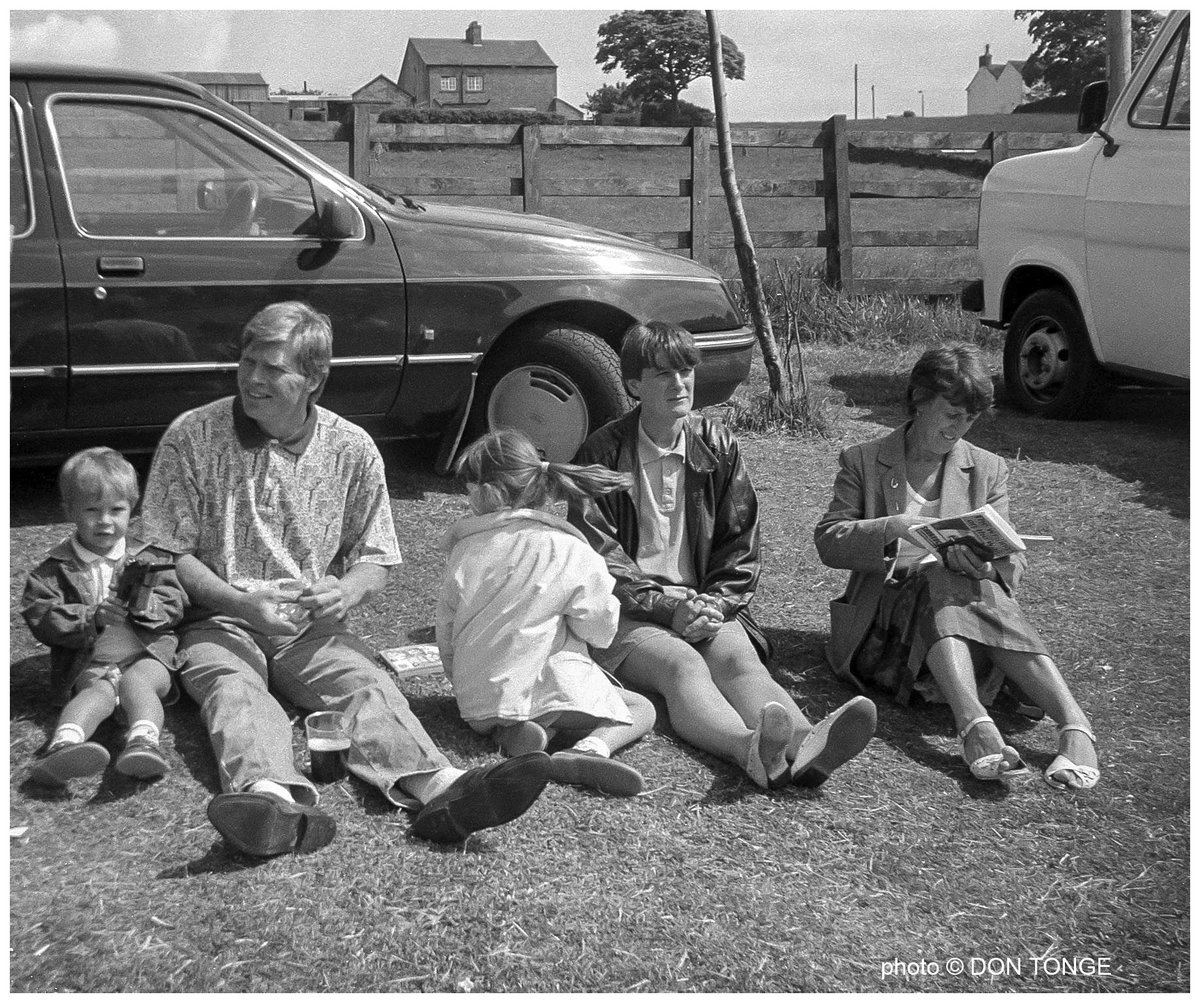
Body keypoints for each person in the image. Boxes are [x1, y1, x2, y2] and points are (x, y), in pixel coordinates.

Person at [139, 301, 551, 856]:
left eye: (273, 368)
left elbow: (376, 557)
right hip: (217, 617)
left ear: (314, 378)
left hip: (310, 624)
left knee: (365, 685)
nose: (252, 378)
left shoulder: (352, 448)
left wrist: (346, 589)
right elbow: (169, 552)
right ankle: (270, 800)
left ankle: (441, 791)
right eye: (246, 361)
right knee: (233, 689)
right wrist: (238, 604)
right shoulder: (193, 435)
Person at [569, 321, 876, 790]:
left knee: (740, 663)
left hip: (704, 601)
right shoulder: (600, 453)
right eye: (663, 374)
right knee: (682, 666)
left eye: (686, 370)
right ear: (633, 385)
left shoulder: (716, 443)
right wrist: (669, 608)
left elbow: (741, 542)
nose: (679, 384)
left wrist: (715, 603)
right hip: (629, 609)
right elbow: (599, 558)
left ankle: (808, 745)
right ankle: (746, 749)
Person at [814, 344, 1100, 791]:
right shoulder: (864, 459)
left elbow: (1013, 559)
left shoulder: (987, 468)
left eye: (970, 418)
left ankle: (1036, 726)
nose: (959, 428)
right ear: (919, 400)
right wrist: (895, 526)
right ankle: (1036, 724)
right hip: (883, 629)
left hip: (966, 611)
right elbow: (829, 542)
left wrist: (988, 569)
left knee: (950, 575)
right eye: (951, 414)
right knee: (937, 574)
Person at [437, 429, 656, 797]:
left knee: (521, 682)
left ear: (489, 491)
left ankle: (519, 732)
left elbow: (446, 630)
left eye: (469, 487)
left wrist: (459, 681)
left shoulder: (464, 551)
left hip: (475, 703)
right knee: (641, 707)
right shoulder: (570, 549)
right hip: (542, 688)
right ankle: (592, 748)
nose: (467, 496)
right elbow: (601, 630)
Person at [21, 447, 184, 786]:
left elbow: (175, 600)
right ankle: (64, 744)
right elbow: (42, 615)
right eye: (92, 510)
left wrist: (148, 607)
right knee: (96, 693)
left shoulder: (150, 559)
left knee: (137, 683)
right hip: (90, 662)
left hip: (147, 653)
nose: (105, 520)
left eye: (117, 510)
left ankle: (143, 743)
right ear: (69, 511)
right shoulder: (55, 570)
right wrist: (90, 618)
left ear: (131, 510)